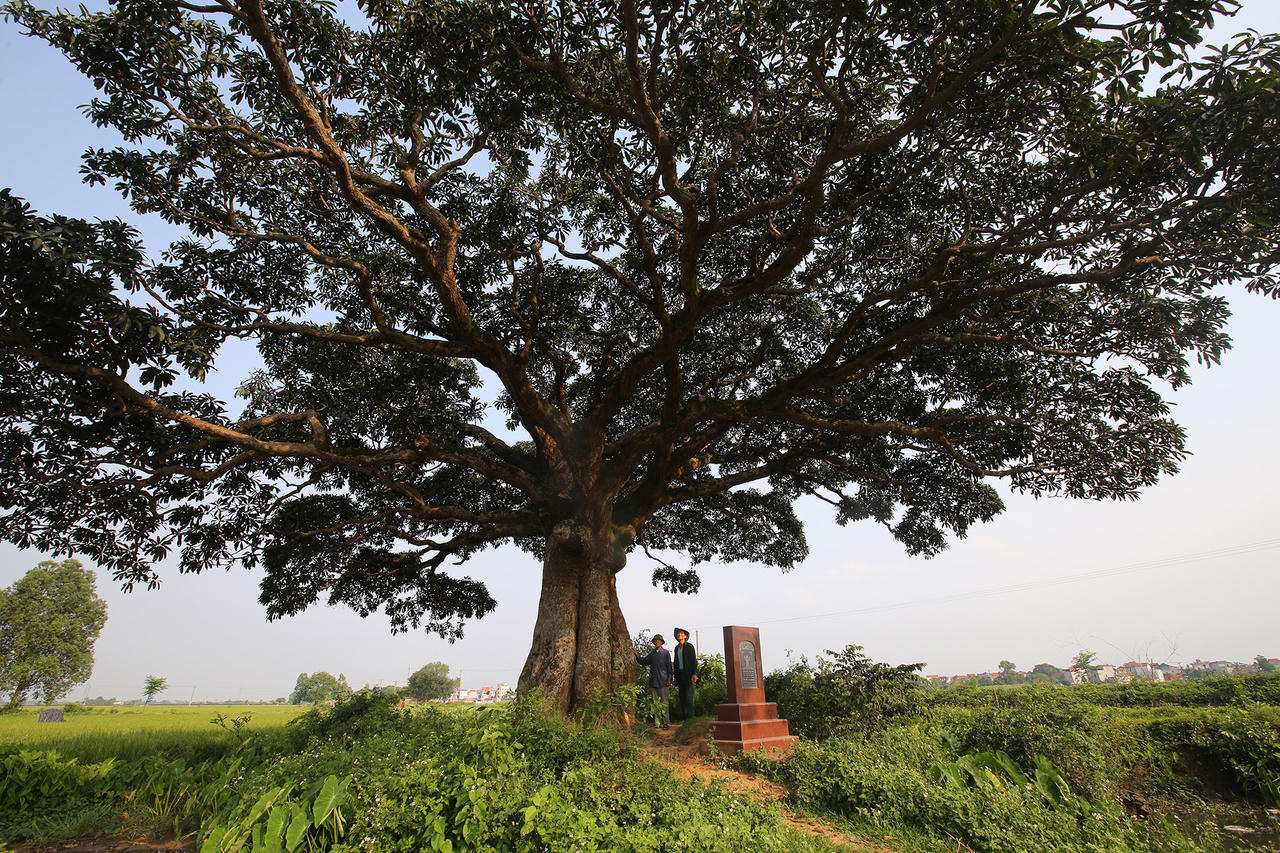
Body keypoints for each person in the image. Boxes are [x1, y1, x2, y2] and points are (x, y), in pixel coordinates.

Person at [634, 633, 673, 729]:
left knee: (664, 703)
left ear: (661, 642)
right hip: (653, 681)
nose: (657, 642)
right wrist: (636, 655)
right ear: (654, 642)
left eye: (659, 641)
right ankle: (658, 723)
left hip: (664, 682)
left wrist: (669, 680)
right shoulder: (652, 654)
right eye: (655, 641)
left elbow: (669, 668)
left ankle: (666, 723)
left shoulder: (666, 653)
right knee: (655, 703)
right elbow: (643, 662)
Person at [672, 627, 698, 722]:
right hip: (680, 675)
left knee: (689, 698)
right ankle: (685, 718)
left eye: (682, 633)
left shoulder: (689, 647)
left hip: (689, 674)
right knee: (682, 697)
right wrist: (675, 677)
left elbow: (693, 661)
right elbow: (675, 663)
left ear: (685, 636)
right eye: (678, 634)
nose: (680, 635)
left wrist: (694, 674)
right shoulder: (676, 648)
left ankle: (690, 719)